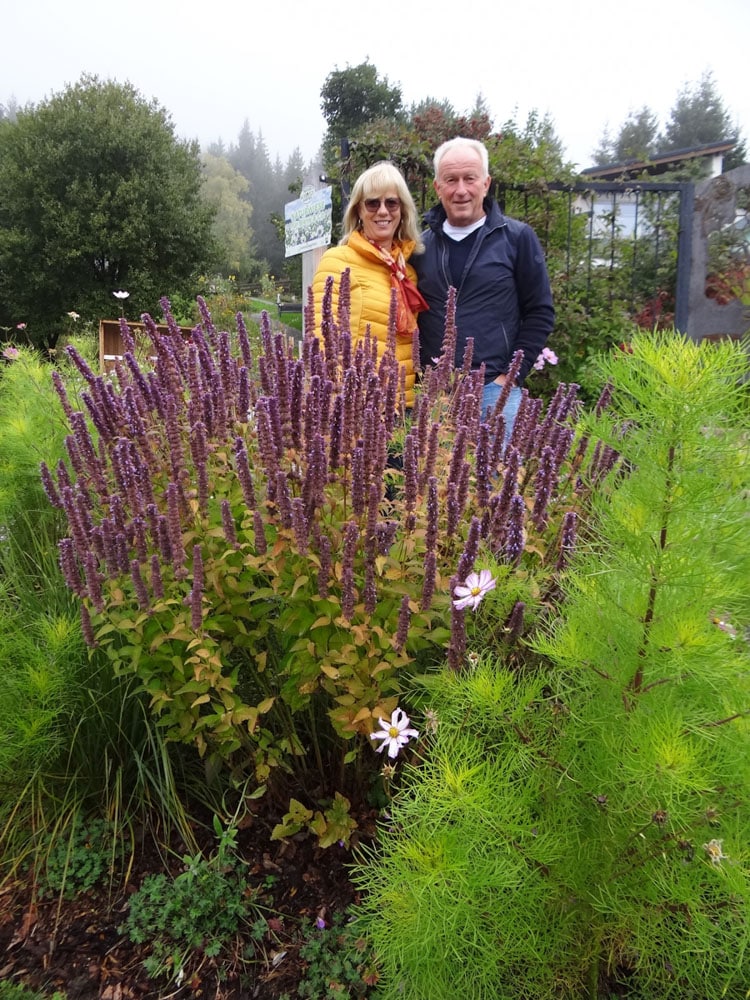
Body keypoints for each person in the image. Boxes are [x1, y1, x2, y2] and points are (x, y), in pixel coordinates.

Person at [413, 137, 555, 439]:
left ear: (486, 183)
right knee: (430, 484)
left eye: (470, 178)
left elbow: (539, 311)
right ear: (438, 187)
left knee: (494, 483)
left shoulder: (516, 238)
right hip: (436, 394)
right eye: (451, 180)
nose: (461, 189)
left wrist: (510, 376)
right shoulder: (420, 246)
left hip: (494, 391)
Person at [312, 161, 427, 408]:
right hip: (356, 406)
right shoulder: (338, 261)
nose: (383, 211)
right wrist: (336, 400)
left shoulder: (406, 274)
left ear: (402, 210)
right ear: (358, 212)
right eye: (372, 203)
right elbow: (322, 340)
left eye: (391, 203)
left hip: (403, 409)